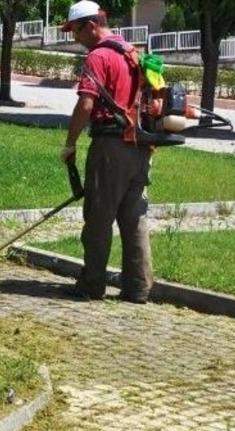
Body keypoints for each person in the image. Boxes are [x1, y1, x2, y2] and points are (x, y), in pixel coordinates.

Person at [60, 0, 153, 304]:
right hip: (140, 147)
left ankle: (91, 284)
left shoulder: (98, 56)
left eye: (75, 31)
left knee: (99, 216)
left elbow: (86, 104)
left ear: (91, 25)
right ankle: (138, 288)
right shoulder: (131, 52)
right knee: (134, 218)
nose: (74, 37)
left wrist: (70, 143)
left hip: (110, 147)